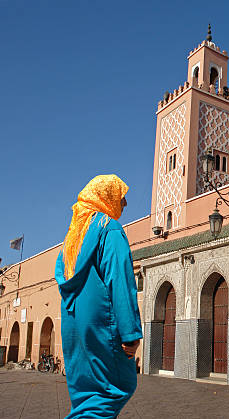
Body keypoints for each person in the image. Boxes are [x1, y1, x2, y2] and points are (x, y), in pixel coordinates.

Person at [55, 174, 142, 418]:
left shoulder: (73, 236)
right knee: (114, 389)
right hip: (102, 323)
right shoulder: (108, 227)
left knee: (85, 394)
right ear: (105, 197)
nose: (124, 204)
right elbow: (120, 279)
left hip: (74, 325)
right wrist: (130, 332)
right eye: (120, 197)